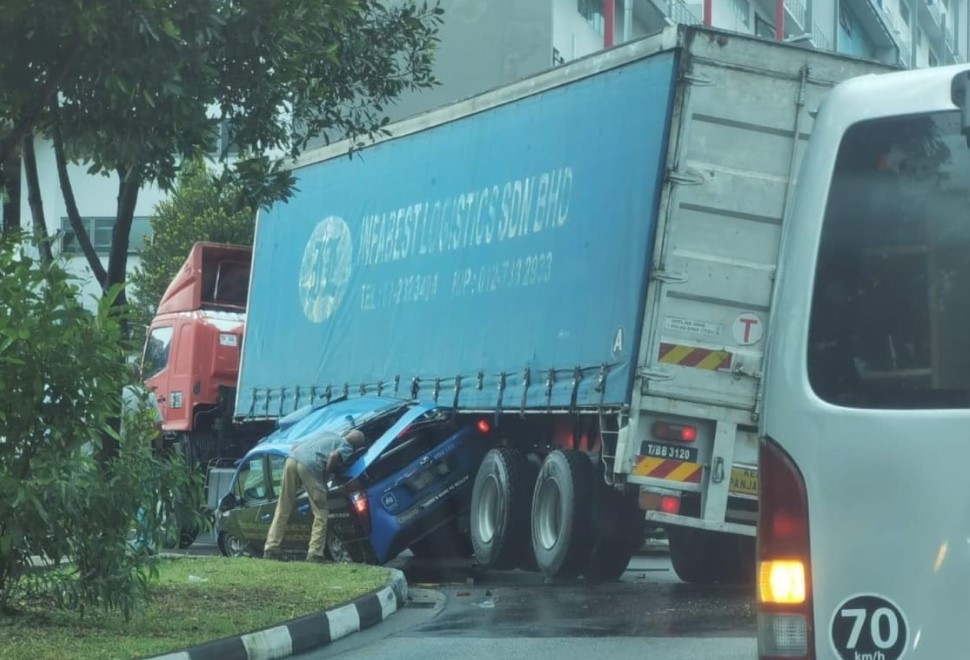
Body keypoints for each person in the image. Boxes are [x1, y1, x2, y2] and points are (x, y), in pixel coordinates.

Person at [263, 427, 367, 562]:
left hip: (292, 459)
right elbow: (333, 456)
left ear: (347, 434)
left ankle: (271, 549)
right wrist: (326, 475)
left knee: (283, 507)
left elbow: (295, 446)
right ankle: (315, 554)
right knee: (321, 511)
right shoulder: (347, 446)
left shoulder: (327, 433)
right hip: (310, 466)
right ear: (356, 447)